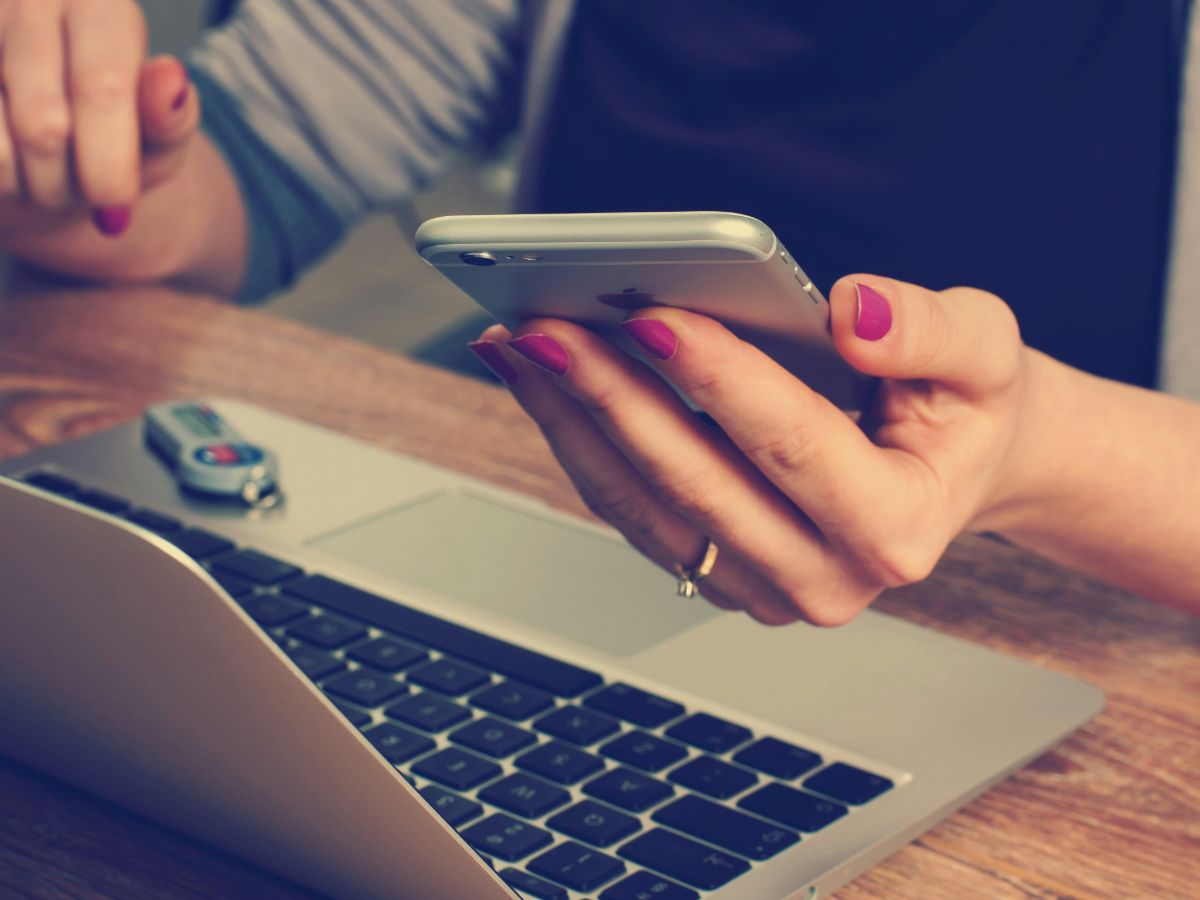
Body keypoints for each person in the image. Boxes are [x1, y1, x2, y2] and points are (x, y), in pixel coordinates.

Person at [0, 0, 1196, 617]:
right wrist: (85, 158)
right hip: (547, 561)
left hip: (1098, 669)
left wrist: (1043, 450)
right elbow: (266, 154)